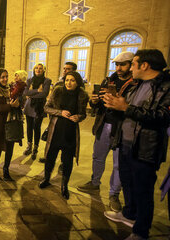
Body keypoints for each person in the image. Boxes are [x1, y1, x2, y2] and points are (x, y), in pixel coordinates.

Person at [103, 49, 170, 240]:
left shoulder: (165, 87)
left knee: (143, 190)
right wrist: (113, 106)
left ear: (145, 65)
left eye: (133, 63)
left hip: (145, 148)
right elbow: (127, 112)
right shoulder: (136, 85)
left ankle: (141, 231)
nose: (131, 67)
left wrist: (125, 107)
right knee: (128, 183)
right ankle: (129, 214)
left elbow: (162, 117)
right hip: (125, 143)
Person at [77, 51, 136, 212]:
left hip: (122, 128)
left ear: (131, 65)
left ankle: (114, 195)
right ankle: (95, 183)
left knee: (118, 164)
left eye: (122, 64)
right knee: (98, 157)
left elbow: (135, 109)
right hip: (104, 124)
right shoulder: (109, 80)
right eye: (116, 64)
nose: (118, 68)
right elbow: (99, 105)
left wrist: (121, 104)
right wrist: (94, 101)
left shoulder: (135, 85)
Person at [39, 71, 89, 200]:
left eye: (72, 80)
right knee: (50, 157)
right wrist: (60, 112)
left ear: (77, 82)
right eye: (67, 80)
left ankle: (64, 185)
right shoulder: (58, 91)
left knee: (67, 161)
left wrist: (79, 117)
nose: (69, 83)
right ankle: (46, 178)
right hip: (56, 130)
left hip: (70, 133)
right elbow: (46, 108)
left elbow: (83, 113)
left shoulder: (82, 95)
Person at [0, 68, 20, 181]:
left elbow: (17, 101)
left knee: (10, 148)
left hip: (11, 123)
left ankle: (6, 170)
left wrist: (18, 104)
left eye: (6, 76)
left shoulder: (10, 89)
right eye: (2, 77)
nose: (5, 79)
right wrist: (10, 106)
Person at [23, 63, 51, 160]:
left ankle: (35, 148)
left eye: (40, 68)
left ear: (44, 70)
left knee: (37, 127)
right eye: (36, 68)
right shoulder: (29, 80)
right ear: (34, 70)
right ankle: (29, 146)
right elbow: (25, 92)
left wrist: (32, 94)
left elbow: (44, 94)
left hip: (39, 107)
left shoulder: (47, 81)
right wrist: (37, 90)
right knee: (29, 127)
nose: (38, 70)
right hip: (29, 106)